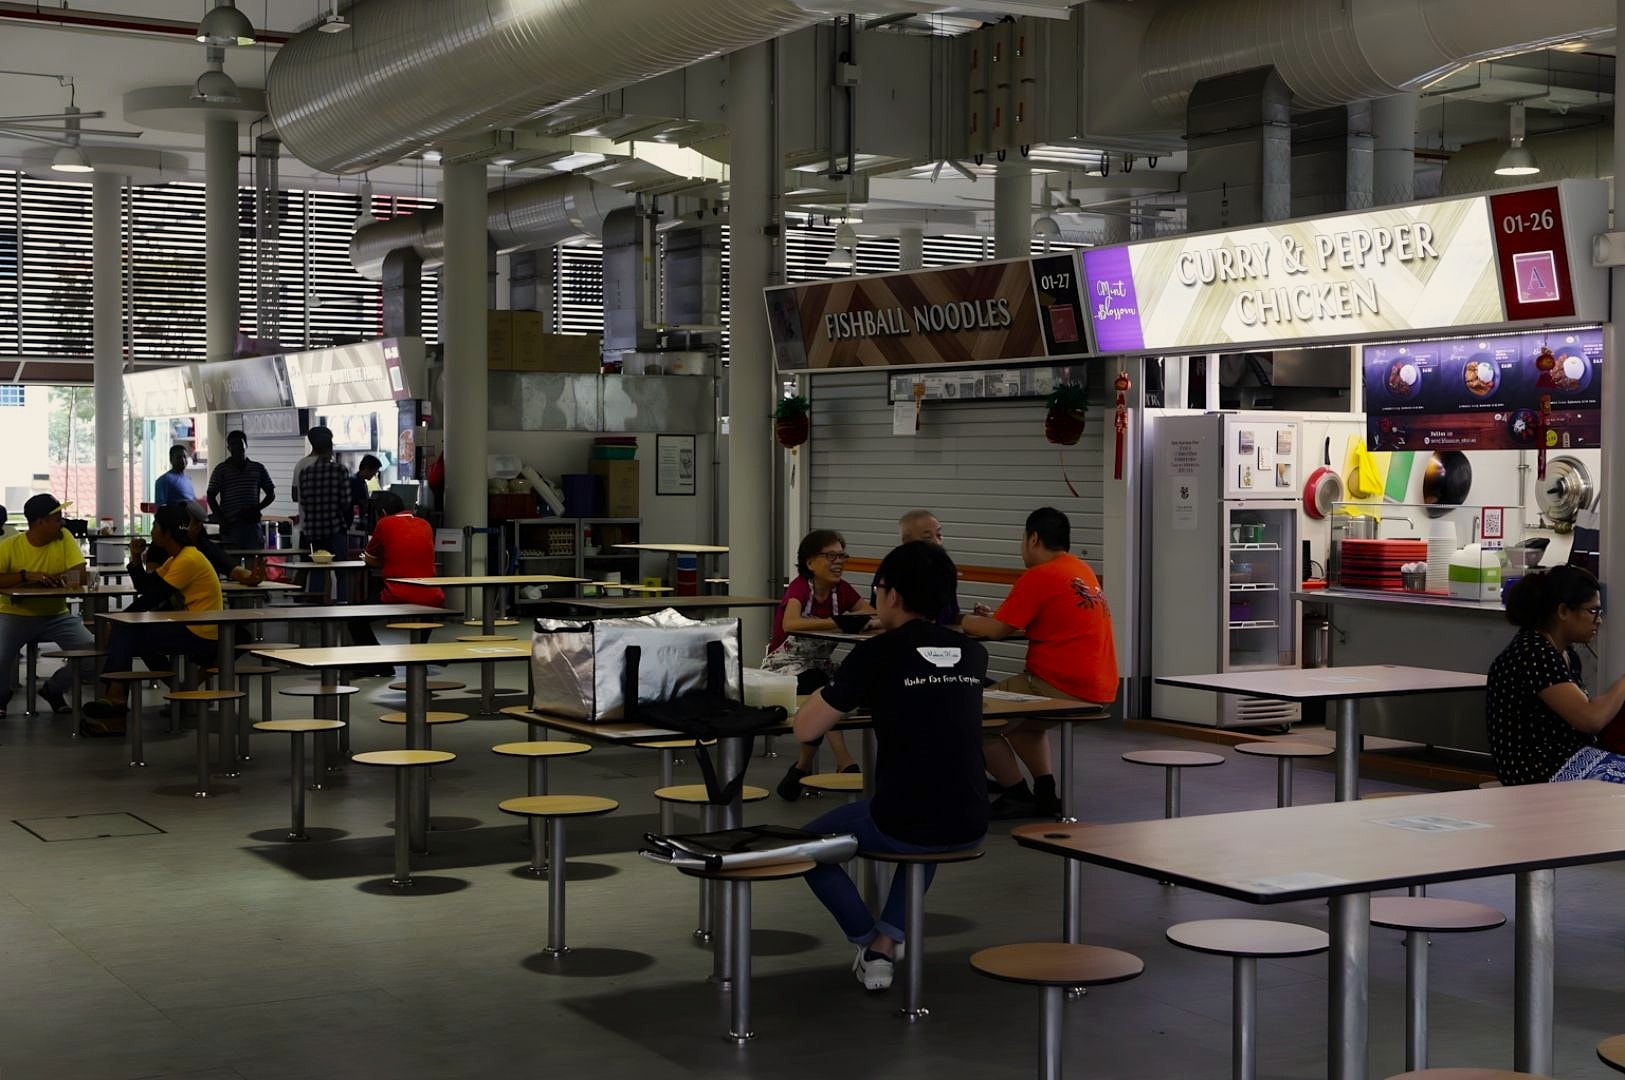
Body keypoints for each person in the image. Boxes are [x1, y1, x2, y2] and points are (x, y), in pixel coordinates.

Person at [793, 541, 988, 991]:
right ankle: (888, 939)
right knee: (932, 821)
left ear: (892, 595)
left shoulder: (878, 653)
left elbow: (806, 730)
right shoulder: (972, 654)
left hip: (903, 819)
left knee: (808, 845)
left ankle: (869, 941)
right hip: (973, 815)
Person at [960, 507, 1119, 819]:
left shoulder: (1039, 575)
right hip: (1099, 685)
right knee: (1025, 727)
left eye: (1023, 540)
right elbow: (1034, 619)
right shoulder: (1078, 569)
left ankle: (1016, 793)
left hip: (1057, 685)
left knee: (970, 717)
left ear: (1033, 538)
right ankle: (1045, 794)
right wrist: (995, 619)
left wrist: (955, 619)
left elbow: (996, 630)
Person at [83, 504, 223, 732]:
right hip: (188, 627)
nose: (152, 532)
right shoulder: (178, 558)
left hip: (201, 632)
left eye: (156, 526)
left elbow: (153, 598)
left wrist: (118, 620)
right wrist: (136, 559)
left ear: (168, 532)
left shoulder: (187, 560)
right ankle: (118, 703)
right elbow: (147, 588)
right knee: (126, 636)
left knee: (125, 632)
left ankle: (116, 702)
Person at [1487, 565, 1625, 784]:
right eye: (1593, 611)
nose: (1599, 620)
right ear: (1563, 611)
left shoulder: (1563, 653)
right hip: (1539, 769)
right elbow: (1591, 719)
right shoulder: (1533, 652)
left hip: (1568, 759)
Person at [766, 529, 874, 798]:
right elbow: (790, 623)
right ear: (810, 561)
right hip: (785, 665)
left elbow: (872, 613)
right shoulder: (801, 587)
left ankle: (801, 768)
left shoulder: (843, 590)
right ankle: (845, 762)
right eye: (830, 556)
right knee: (824, 690)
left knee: (853, 683)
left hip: (821, 664)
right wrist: (839, 623)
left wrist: (869, 621)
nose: (838, 562)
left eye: (841, 555)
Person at [0, 494, 95, 719]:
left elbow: (80, 574)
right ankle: (1, 697)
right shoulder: (10, 546)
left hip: (56, 615)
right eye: (57, 518)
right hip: (13, 614)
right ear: (39, 522)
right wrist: (26, 576)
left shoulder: (64, 538)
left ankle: (53, 688)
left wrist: (52, 578)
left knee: (93, 655)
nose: (62, 523)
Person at [347, 492, 444, 657]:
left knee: (354, 618)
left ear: (383, 513)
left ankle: (379, 665)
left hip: (398, 595)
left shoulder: (385, 523)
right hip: (432, 596)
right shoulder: (425, 524)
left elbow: (370, 557)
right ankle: (419, 658)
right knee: (426, 616)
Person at [295, 427, 352, 595]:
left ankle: (315, 607)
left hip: (313, 531)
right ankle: (343, 604)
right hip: (334, 529)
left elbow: (302, 501)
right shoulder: (340, 470)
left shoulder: (305, 473)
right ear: (331, 449)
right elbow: (346, 502)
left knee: (317, 570)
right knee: (342, 571)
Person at [206, 430, 275, 549]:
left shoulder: (258, 468)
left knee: (254, 563)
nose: (237, 447)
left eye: (240, 444)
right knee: (232, 563)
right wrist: (221, 520)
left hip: (252, 525)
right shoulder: (221, 470)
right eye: (233, 445)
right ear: (228, 448)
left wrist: (256, 509)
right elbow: (210, 495)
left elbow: (271, 493)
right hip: (230, 526)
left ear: (246, 445)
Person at [172, 502, 264, 586]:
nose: (181, 528)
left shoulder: (208, 548)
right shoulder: (167, 545)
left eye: (185, 523)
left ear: (197, 526)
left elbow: (236, 570)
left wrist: (251, 576)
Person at [895, 508, 960, 624]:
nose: (937, 542)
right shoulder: (895, 571)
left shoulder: (945, 570)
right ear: (907, 543)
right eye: (928, 538)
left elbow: (950, 615)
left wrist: (974, 618)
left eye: (939, 535)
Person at [350, 454, 383, 531]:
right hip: (354, 523)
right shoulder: (355, 483)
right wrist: (356, 520)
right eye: (374, 472)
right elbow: (355, 504)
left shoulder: (361, 482)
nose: (374, 475)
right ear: (367, 468)